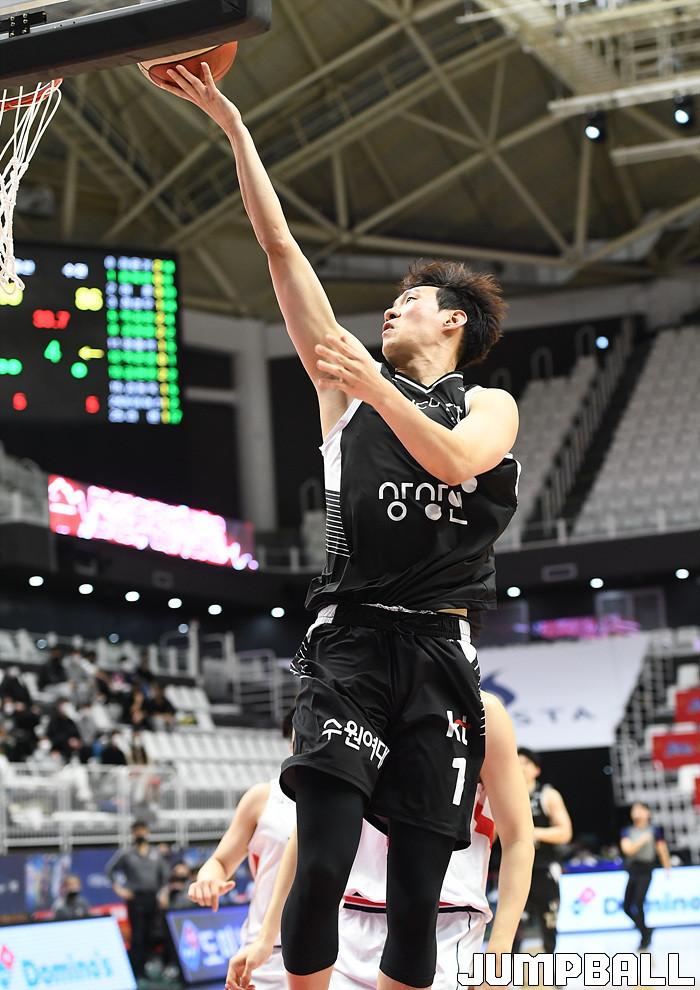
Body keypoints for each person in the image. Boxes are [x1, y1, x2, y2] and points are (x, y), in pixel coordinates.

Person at [148, 62, 519, 990]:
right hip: (350, 645)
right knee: (319, 864)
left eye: (411, 300)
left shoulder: (490, 406)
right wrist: (232, 125)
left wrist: (375, 387)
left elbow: (453, 461)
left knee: (419, 897)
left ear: (455, 323)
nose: (391, 307)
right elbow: (279, 250)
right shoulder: (344, 389)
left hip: (441, 656)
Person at [228, 693, 533, 990]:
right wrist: (266, 936)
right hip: (349, 923)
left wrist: (499, 954)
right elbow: (307, 836)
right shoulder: (346, 700)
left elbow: (518, 837)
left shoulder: (482, 710)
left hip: (444, 923)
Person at [188, 713, 296, 990]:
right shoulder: (263, 797)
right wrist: (208, 879)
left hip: (336, 949)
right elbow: (220, 862)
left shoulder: (351, 802)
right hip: (265, 954)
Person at [513, 748, 572, 955]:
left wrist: (531, 832)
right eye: (517, 762)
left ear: (536, 770)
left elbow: (565, 832)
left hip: (543, 868)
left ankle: (550, 965)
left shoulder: (548, 795)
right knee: (512, 925)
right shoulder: (505, 795)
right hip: (514, 869)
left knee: (549, 923)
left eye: (525, 763)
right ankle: (504, 970)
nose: (520, 767)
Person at [107, 820, 170, 980]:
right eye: (137, 830)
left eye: (143, 830)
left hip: (152, 898)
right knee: (138, 935)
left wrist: (163, 893)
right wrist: (119, 889)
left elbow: (165, 877)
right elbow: (110, 871)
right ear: (133, 833)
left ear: (147, 832)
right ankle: (136, 970)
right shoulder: (127, 854)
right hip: (135, 899)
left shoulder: (156, 853)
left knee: (151, 934)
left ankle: (147, 966)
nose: (140, 833)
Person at [620, 801, 671, 950]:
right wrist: (642, 841)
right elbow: (627, 850)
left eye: (640, 809)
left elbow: (661, 848)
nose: (636, 812)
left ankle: (644, 938)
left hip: (646, 869)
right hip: (633, 870)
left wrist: (667, 866)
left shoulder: (654, 830)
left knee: (638, 902)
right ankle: (645, 930)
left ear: (647, 813)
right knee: (626, 906)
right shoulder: (628, 831)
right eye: (634, 810)